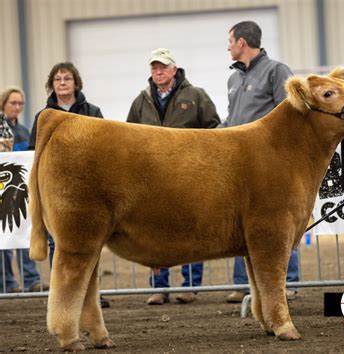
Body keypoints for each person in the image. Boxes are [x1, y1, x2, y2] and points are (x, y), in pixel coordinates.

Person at [127, 48, 221, 305]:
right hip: (152, 178)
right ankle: (159, 287)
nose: (158, 71)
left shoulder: (196, 96)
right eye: (154, 67)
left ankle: (190, 286)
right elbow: (129, 136)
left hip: (190, 176)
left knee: (192, 229)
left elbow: (214, 129)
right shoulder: (141, 100)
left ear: (174, 69)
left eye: (163, 67)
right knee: (154, 232)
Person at [222, 20, 300, 303]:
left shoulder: (277, 71)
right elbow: (232, 119)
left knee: (279, 221)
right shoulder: (233, 78)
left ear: (242, 42)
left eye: (230, 41)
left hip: (270, 164)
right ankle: (243, 284)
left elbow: (291, 114)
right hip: (239, 163)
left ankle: (288, 281)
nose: (228, 46)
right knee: (243, 222)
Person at [29, 62, 110, 307]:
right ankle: (60, 295)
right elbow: (36, 153)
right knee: (58, 242)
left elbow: (106, 148)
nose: (62, 83)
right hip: (59, 190)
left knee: (91, 243)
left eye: (67, 78)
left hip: (90, 190)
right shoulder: (43, 118)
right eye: (58, 79)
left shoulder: (92, 111)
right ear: (51, 85)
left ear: (76, 83)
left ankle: (91, 295)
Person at [0, 87, 47, 293]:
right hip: (4, 190)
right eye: (13, 103)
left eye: (20, 103)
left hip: (18, 191)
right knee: (5, 236)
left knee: (23, 233)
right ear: (3, 104)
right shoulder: (4, 128)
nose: (17, 107)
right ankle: (8, 282)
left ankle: (30, 279)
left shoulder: (23, 130)